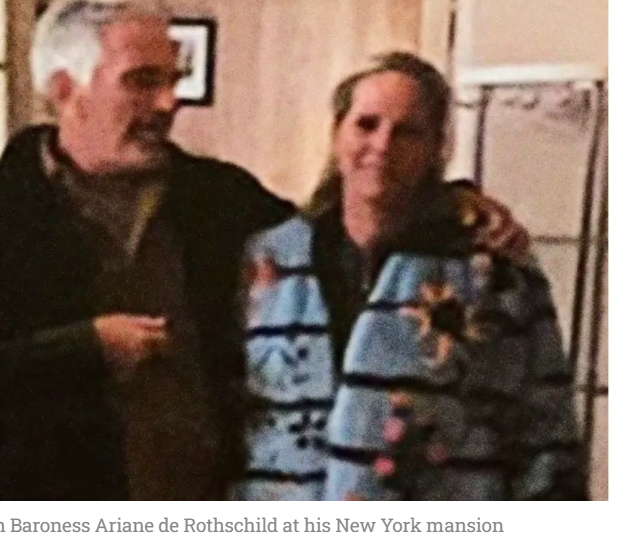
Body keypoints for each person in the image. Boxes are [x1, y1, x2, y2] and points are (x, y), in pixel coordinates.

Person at [0, 0, 532, 501]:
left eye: (172, 80)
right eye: (142, 81)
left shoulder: (218, 197)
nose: (168, 102)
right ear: (65, 89)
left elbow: (339, 233)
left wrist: (453, 205)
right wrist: (84, 348)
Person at [236, 52, 587, 500]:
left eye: (407, 132)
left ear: (436, 148)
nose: (383, 145)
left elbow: (545, 431)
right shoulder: (267, 262)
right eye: (366, 125)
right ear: (337, 134)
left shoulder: (491, 271)